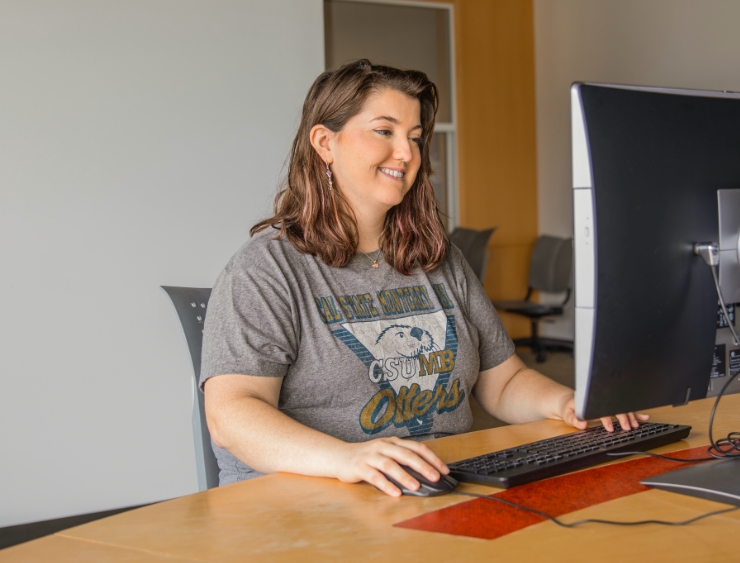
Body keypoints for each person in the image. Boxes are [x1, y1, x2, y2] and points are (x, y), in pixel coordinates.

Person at [201, 60, 646, 496]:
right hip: (305, 504)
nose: (407, 153)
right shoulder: (266, 270)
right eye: (384, 131)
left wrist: (567, 404)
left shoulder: (438, 258)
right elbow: (232, 414)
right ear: (324, 142)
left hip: (431, 488)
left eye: (415, 137)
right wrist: (348, 459)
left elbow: (503, 381)